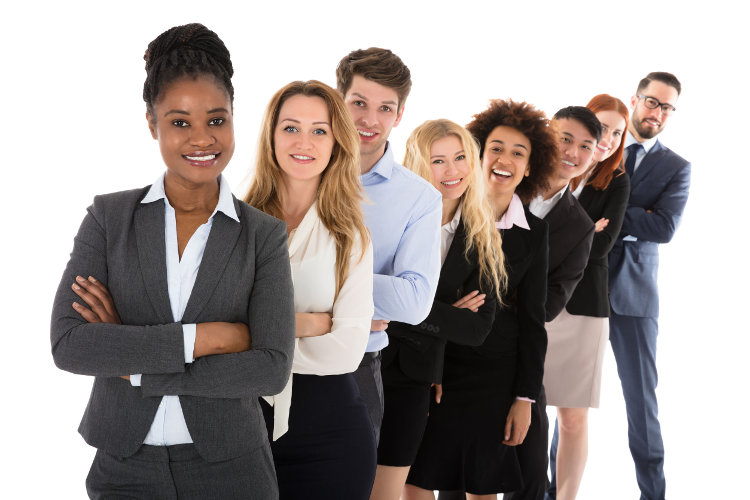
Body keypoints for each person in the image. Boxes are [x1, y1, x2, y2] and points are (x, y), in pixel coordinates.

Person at [50, 23, 295, 499]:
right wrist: (204, 339)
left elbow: (269, 367)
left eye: (216, 120)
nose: (201, 139)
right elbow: (70, 344)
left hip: (232, 468)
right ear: (151, 123)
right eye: (180, 122)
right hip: (125, 466)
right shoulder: (109, 218)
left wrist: (130, 355)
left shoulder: (263, 236)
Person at [408, 99, 555, 500]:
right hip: (439, 368)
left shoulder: (533, 232)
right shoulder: (448, 213)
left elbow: (532, 320)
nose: (505, 159)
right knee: (421, 473)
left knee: (483, 480)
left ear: (530, 166)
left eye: (518, 153)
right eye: (496, 148)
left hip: (493, 375)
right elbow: (421, 297)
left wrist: (524, 397)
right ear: (479, 154)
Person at [246, 80, 376, 499]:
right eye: (291, 127)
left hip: (331, 435)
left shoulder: (350, 235)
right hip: (242, 431)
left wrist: (253, 337)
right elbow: (207, 325)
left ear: (337, 141)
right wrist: (307, 324)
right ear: (271, 135)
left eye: (319, 130)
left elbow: (347, 349)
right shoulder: (233, 223)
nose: (305, 142)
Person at [371, 119, 508, 500]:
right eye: (439, 161)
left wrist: (409, 303)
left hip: (414, 379)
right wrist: (444, 310)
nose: (453, 171)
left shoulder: (481, 234)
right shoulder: (391, 215)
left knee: (390, 488)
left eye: (461, 157)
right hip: (361, 362)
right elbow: (355, 290)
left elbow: (475, 329)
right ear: (417, 164)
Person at [335, 48, 443, 443]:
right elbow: (264, 273)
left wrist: (316, 286)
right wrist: (357, 304)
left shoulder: (419, 198)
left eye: (385, 108)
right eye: (359, 103)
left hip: (357, 367)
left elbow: (414, 303)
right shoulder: (297, 169)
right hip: (282, 358)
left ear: (399, 116)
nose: (369, 120)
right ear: (338, 100)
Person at [606, 72, 690, 500]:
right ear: (635, 100)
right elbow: (579, 207)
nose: (657, 112)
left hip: (635, 297)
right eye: (652, 102)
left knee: (642, 403)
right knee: (568, 402)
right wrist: (636, 217)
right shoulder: (603, 151)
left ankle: (653, 494)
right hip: (579, 289)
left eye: (667, 107)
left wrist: (611, 218)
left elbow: (665, 227)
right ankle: (551, 490)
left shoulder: (676, 167)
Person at [543, 96, 631, 500]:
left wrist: (577, 238)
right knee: (520, 408)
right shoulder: (545, 167)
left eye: (617, 133)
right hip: (536, 301)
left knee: (573, 418)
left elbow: (600, 248)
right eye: (604, 128)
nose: (609, 140)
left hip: (583, 309)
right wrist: (583, 231)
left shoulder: (616, 181)